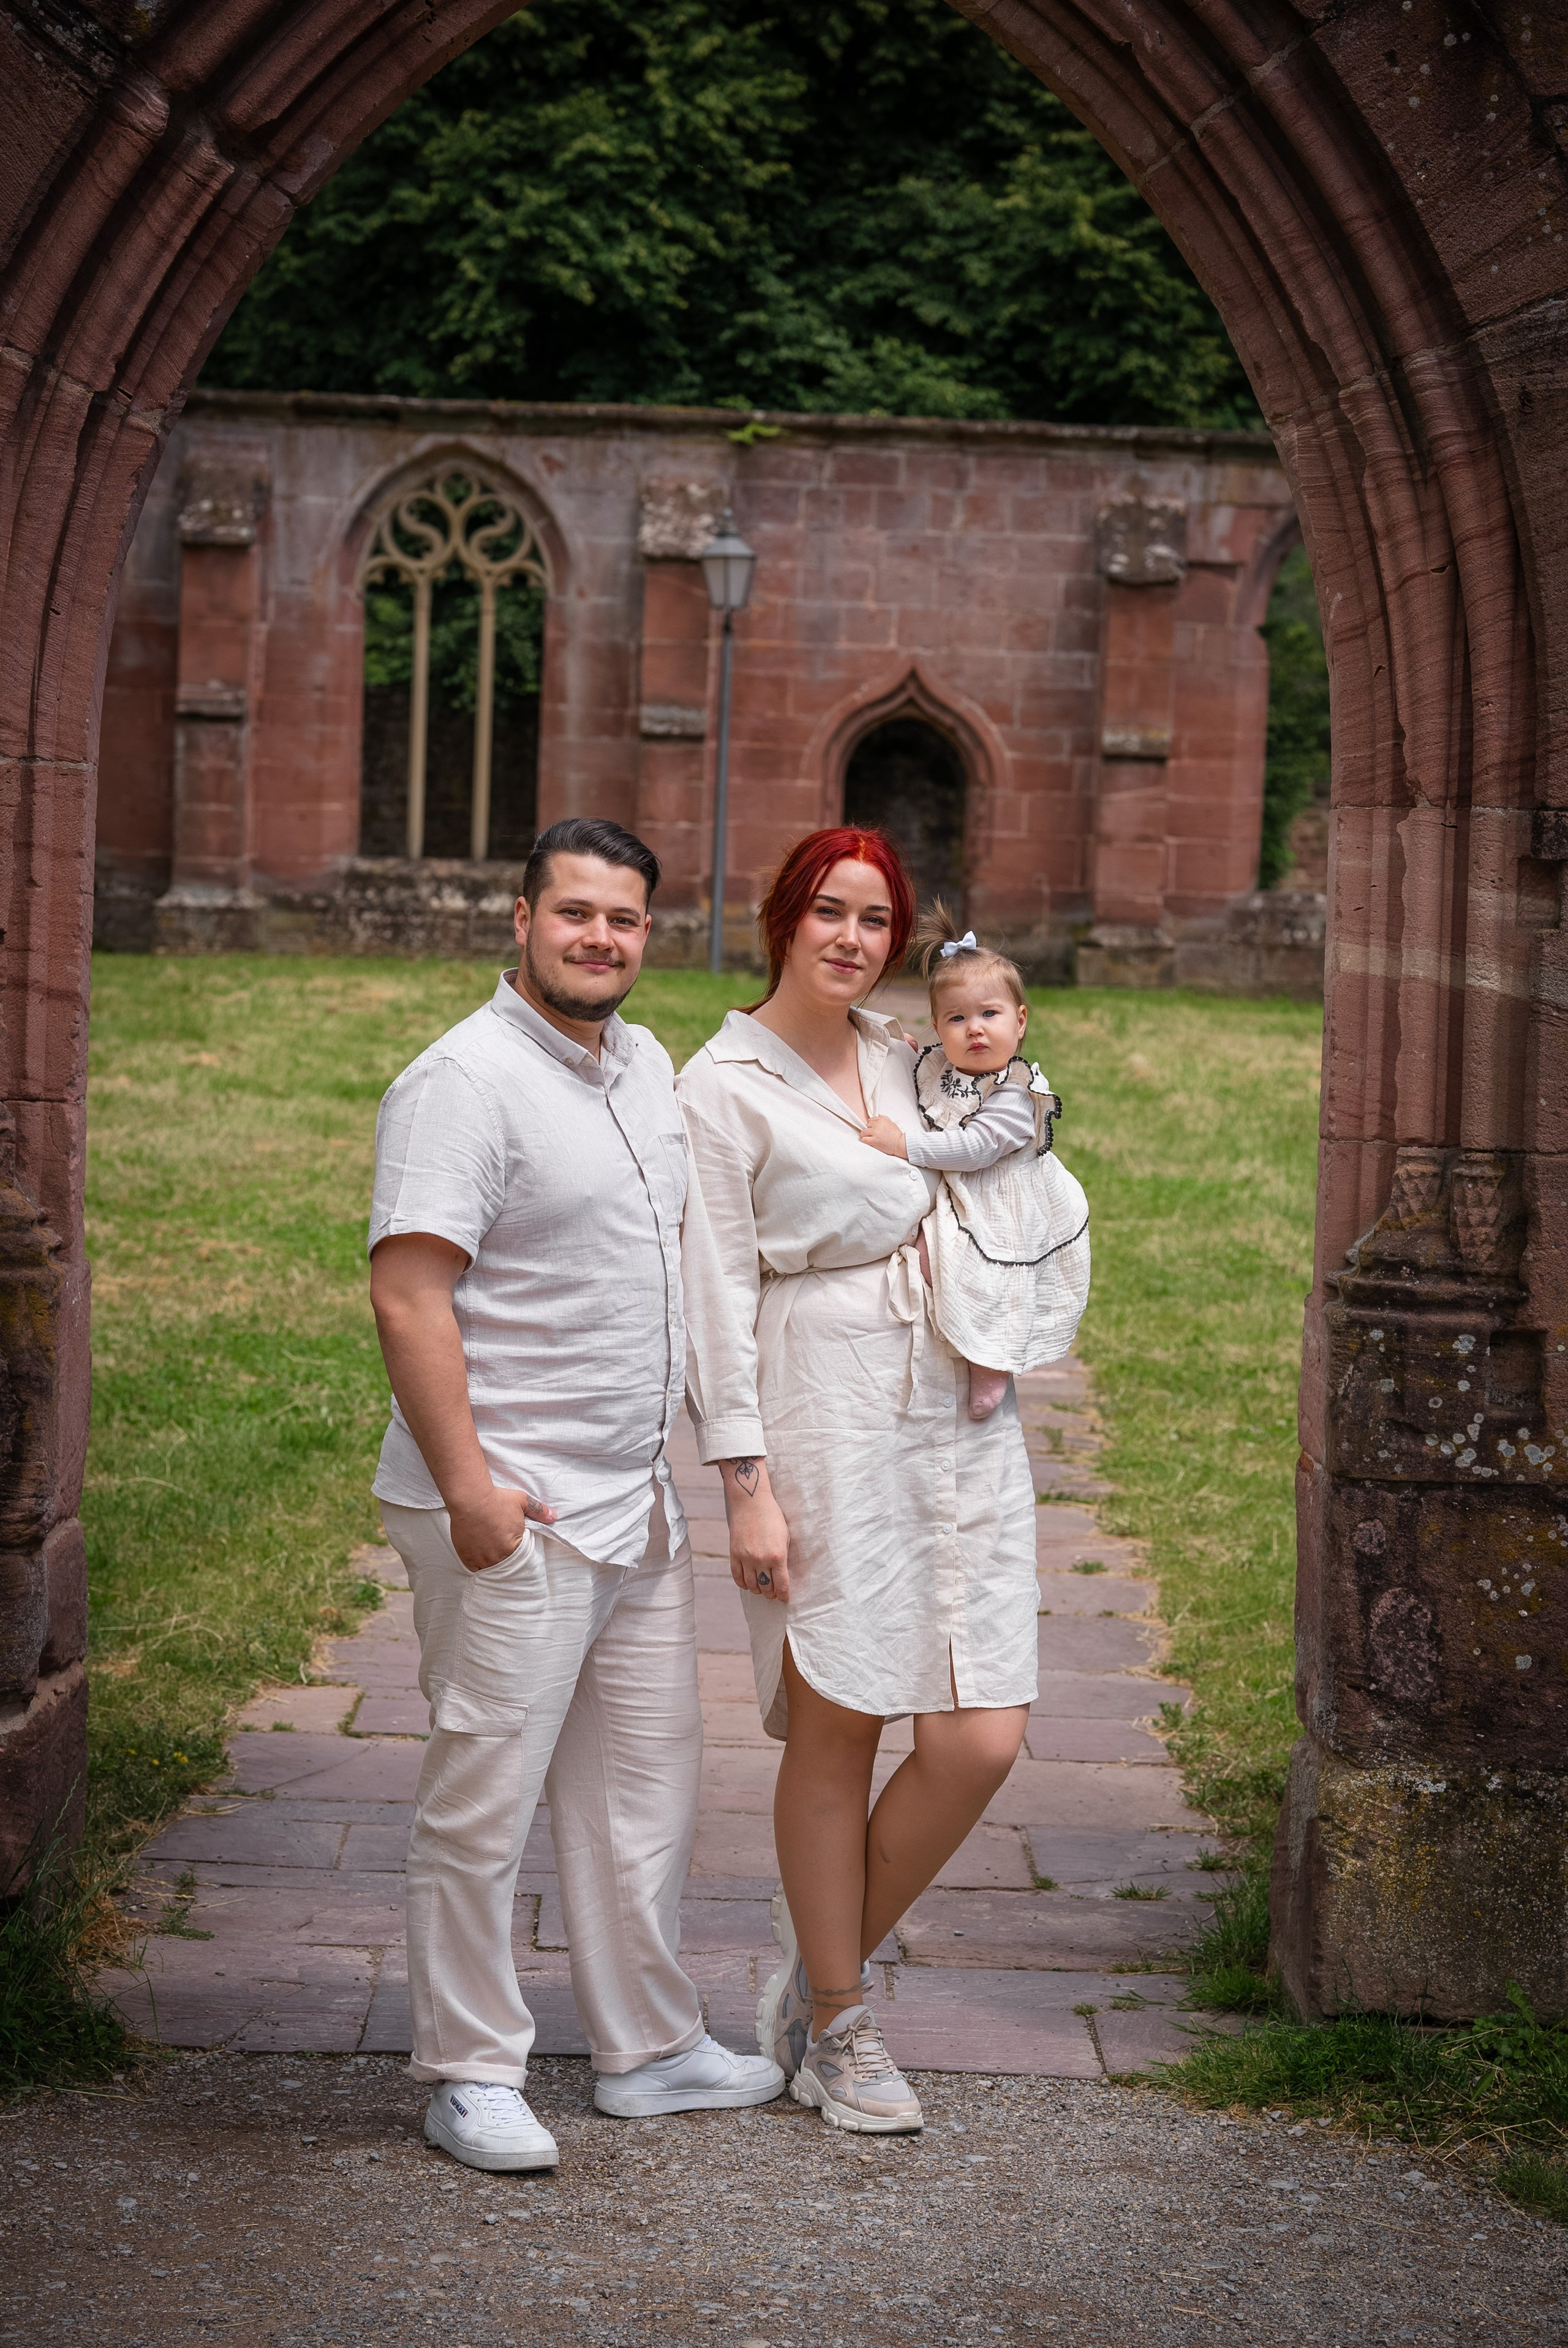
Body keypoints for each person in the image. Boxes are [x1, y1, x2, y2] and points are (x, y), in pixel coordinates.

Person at [368, 815, 782, 2175]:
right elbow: (408, 1290)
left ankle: (646, 2047)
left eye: (625, 919)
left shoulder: (642, 1059)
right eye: (575, 913)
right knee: (482, 1795)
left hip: (630, 1500)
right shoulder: (461, 1081)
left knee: (641, 1788)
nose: (600, 937)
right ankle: (470, 2066)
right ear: (520, 919)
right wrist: (470, 1486)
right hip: (513, 1508)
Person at [676, 828, 1039, 2135]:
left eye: (874, 918)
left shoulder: (908, 1053)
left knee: (978, 1729)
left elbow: (1016, 1131)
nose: (848, 936)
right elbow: (711, 1291)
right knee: (840, 1718)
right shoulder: (717, 1085)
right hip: (818, 1400)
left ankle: (803, 1970)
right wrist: (743, 1482)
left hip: (953, 1397)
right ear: (781, 916)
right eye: (826, 910)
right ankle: (838, 2012)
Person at [860, 904, 1090, 1421]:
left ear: (1020, 1020)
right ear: (940, 1026)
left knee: (989, 1274)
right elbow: (922, 1076)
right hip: (962, 1193)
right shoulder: (944, 1064)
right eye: (957, 1019)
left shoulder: (1014, 1092)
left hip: (1002, 1200)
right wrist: (907, 1051)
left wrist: (904, 1146)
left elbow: (974, 1149)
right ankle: (940, 1334)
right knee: (930, 1259)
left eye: (990, 1014)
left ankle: (992, 1361)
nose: (975, 1030)